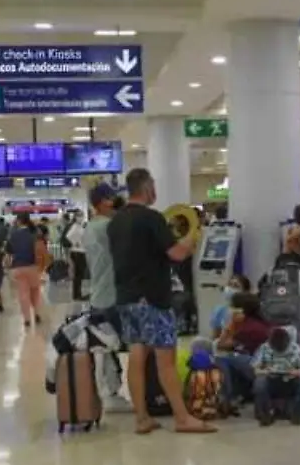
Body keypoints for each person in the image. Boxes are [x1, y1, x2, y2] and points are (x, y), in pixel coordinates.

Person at [109, 168, 216, 435]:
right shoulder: (152, 218)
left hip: (126, 298)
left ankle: (142, 418)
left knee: (136, 356)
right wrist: (193, 235)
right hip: (152, 299)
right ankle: (182, 418)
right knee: (164, 359)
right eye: (153, 186)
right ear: (146, 188)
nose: (155, 191)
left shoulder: (115, 222)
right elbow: (177, 254)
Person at [214, 292, 271, 401]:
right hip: (254, 360)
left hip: (260, 366)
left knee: (220, 358)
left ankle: (226, 398)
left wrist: (230, 326)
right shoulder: (257, 322)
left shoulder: (248, 328)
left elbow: (221, 345)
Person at [251, 326, 300, 426]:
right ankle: (265, 414)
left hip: (290, 381)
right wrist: (265, 371)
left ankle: (297, 414)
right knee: (259, 384)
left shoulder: (296, 349)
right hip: (271, 380)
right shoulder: (264, 348)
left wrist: (296, 372)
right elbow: (255, 369)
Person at [84, 184, 123, 315]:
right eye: (112, 199)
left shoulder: (90, 226)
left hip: (99, 296)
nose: (115, 204)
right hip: (111, 299)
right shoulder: (107, 226)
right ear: (101, 203)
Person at [7, 212, 44, 327]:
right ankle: (37, 314)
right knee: (35, 292)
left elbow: (9, 251)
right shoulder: (35, 233)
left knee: (23, 294)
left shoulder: (13, 234)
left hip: (18, 267)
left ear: (18, 221)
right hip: (33, 266)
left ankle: (27, 319)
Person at [64, 210, 89, 301]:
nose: (81, 217)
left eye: (82, 215)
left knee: (79, 275)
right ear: (75, 217)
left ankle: (78, 294)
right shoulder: (75, 227)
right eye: (79, 215)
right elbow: (68, 237)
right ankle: (77, 295)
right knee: (79, 274)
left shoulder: (79, 226)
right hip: (78, 253)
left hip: (80, 252)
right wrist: (76, 243)